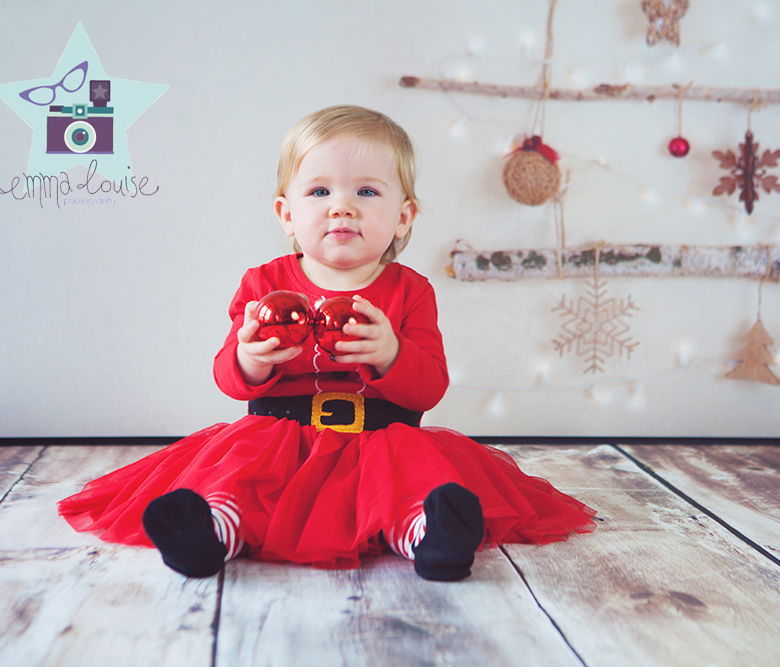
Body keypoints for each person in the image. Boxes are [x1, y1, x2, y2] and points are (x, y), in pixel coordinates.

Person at [58, 105, 596, 581]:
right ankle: (212, 530)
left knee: (407, 482)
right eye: (319, 191)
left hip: (381, 438)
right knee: (240, 476)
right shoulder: (262, 284)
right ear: (287, 214)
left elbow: (429, 387)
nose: (342, 207)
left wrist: (391, 355)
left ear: (403, 215)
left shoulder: (410, 291)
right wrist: (249, 359)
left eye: (366, 191)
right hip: (277, 437)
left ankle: (430, 534)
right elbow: (225, 376)